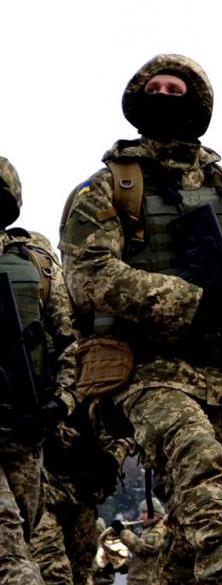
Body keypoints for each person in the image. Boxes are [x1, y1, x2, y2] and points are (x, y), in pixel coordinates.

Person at [60, 54, 222, 585]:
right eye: (156, 89)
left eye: (176, 90)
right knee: (197, 459)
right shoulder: (109, 188)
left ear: (199, 104)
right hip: (146, 369)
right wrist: (189, 302)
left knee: (198, 527)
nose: (165, 97)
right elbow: (89, 274)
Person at [0, 156, 77, 585]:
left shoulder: (37, 262)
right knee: (8, 545)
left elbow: (69, 341)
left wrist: (61, 401)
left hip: (25, 430)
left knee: (22, 534)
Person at [116, 498, 168, 585]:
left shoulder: (161, 529)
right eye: (140, 512)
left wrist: (123, 533)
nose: (141, 516)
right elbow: (139, 556)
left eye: (144, 512)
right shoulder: (148, 529)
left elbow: (145, 547)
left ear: (155, 514)